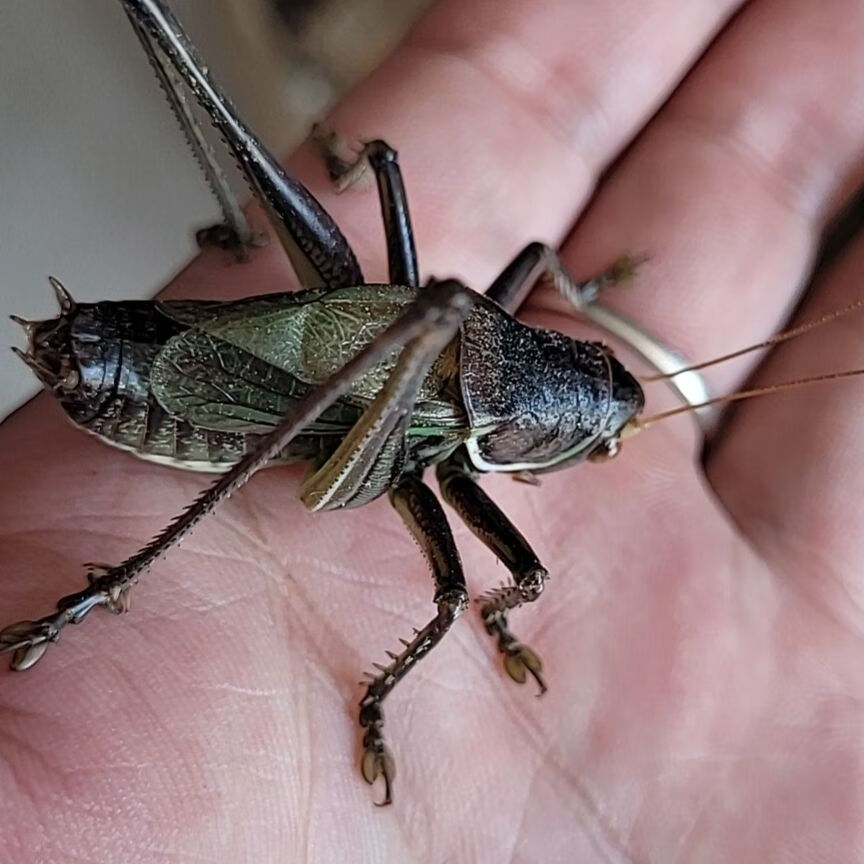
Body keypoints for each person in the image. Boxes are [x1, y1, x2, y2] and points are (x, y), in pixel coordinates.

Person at [2, 0, 864, 859]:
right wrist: (475, 635)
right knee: (460, 583)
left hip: (292, 346)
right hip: (188, 400)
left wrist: (567, 289)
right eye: (598, 442)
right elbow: (481, 590)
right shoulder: (458, 426)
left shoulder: (484, 317)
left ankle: (238, 233)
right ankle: (113, 582)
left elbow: (498, 236)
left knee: (408, 214)